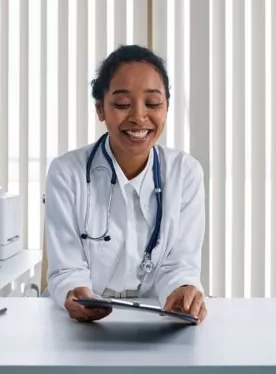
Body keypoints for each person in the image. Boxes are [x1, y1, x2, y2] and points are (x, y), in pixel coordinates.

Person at [44, 45, 207, 323]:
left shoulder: (185, 172)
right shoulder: (66, 172)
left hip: (158, 321)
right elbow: (66, 268)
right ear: (100, 109)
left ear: (167, 107)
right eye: (121, 104)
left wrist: (183, 291)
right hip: (83, 326)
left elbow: (180, 264)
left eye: (153, 104)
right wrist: (75, 293)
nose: (139, 117)